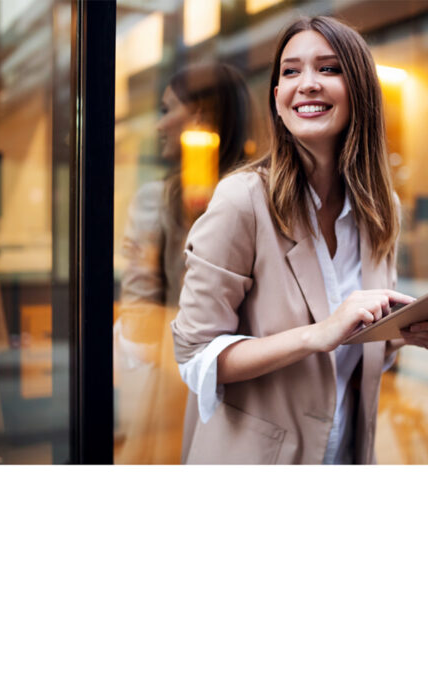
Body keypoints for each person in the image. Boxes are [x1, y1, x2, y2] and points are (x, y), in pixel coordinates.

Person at [171, 16, 428, 465]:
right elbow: (195, 357)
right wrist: (319, 334)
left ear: (361, 92)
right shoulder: (243, 200)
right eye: (290, 71)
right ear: (277, 97)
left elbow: (353, 346)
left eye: (328, 69)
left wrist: (404, 334)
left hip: (345, 451)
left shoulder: (379, 207)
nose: (306, 83)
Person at [116, 62, 255, 464]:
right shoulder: (265, 194)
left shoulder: (156, 200)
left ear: (198, 115)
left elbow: (141, 319)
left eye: (166, 110)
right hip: (259, 379)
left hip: (184, 381)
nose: (159, 125)